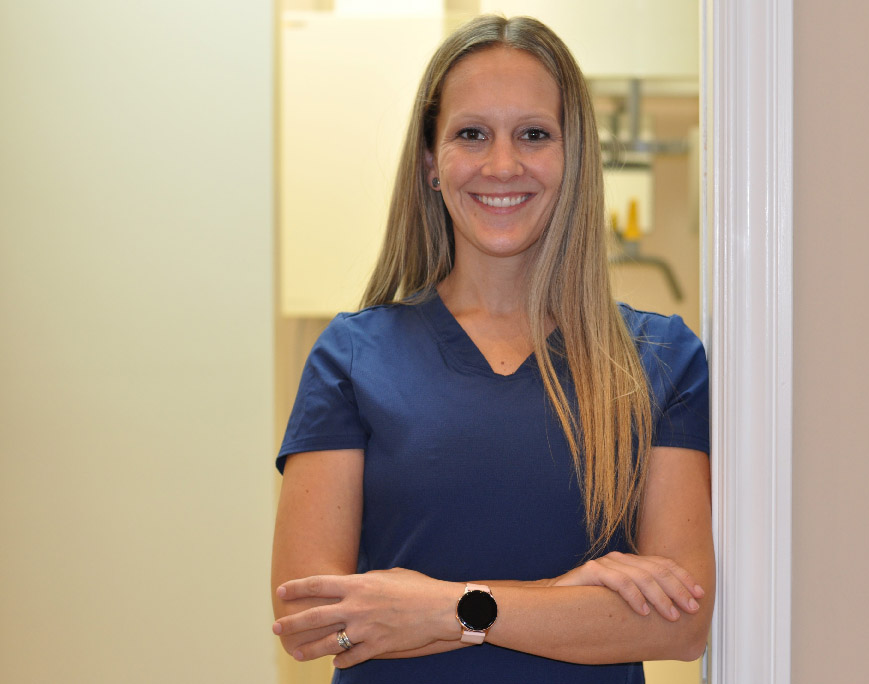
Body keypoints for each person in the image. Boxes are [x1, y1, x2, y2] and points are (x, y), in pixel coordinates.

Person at [270, 14, 714, 684]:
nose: (501, 165)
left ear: (573, 158)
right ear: (430, 163)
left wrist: (443, 608)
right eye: (470, 134)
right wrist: (570, 600)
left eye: (533, 134)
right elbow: (312, 620)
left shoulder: (660, 361)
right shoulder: (352, 358)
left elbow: (681, 623)